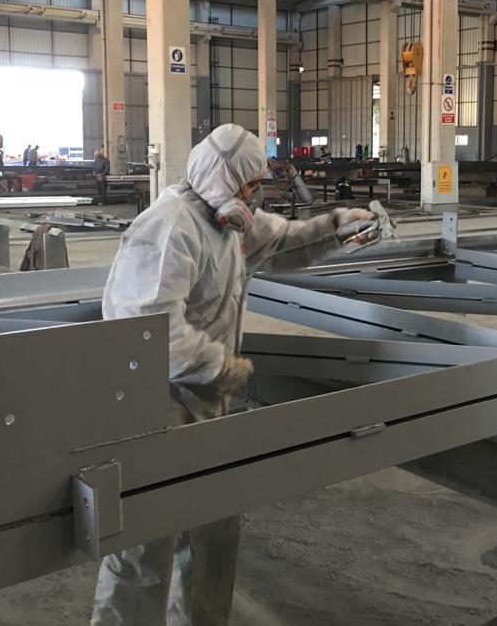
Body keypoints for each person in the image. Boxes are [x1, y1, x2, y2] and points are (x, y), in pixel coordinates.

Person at [90, 123, 374, 626]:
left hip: (205, 407)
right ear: (220, 178)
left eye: (256, 186)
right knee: (145, 542)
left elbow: (283, 240)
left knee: (212, 530)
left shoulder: (226, 225)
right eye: (248, 186)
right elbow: (147, 329)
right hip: (155, 408)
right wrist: (217, 366)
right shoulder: (170, 227)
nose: (253, 197)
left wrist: (336, 226)